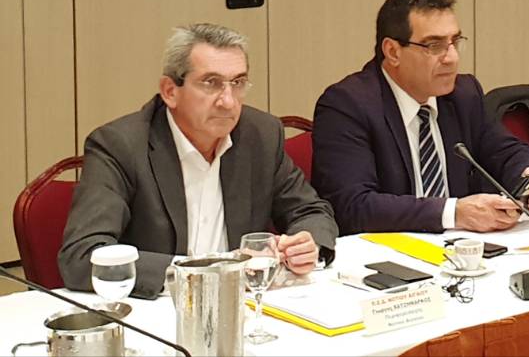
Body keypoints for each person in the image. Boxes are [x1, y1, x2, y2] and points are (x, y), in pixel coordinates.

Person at [58, 23, 337, 299]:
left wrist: (306, 244)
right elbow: (82, 255)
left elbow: (310, 211)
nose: (228, 101)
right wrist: (195, 273)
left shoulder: (260, 134)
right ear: (170, 91)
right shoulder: (121, 146)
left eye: (238, 83)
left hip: (245, 304)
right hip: (160, 309)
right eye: (211, 83)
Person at [312, 0, 529, 235]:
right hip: (387, 252)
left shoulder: (464, 94)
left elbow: (508, 152)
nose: (452, 58)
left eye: (455, 42)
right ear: (392, 51)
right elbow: (353, 206)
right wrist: (453, 212)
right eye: (434, 46)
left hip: (460, 247)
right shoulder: (347, 105)